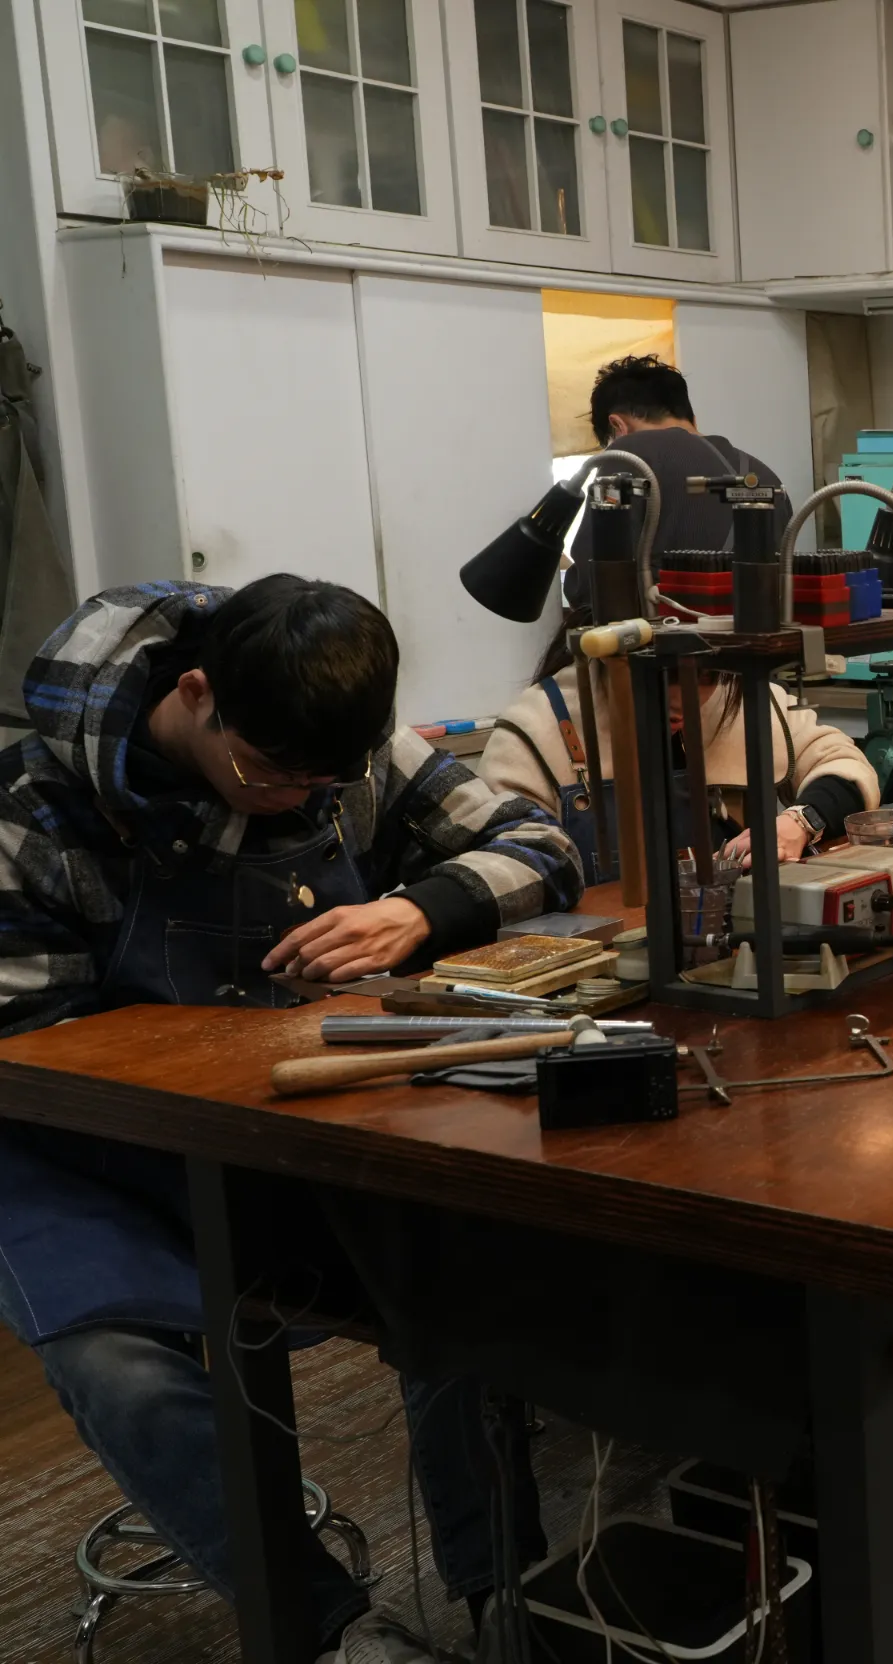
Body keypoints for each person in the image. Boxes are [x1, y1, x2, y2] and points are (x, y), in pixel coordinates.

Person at [0, 577, 586, 1661]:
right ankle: (333, 1628)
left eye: (329, 781)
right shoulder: (34, 808)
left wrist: (420, 907)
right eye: (269, 773)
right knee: (116, 1364)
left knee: (463, 1271)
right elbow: (32, 1053)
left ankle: (506, 1590)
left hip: (301, 1122)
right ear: (195, 693)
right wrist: (229, 1067)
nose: (298, 801)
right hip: (95, 1156)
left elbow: (540, 845)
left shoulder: (336, 749)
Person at [482, 623, 880, 877]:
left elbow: (842, 763)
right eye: (663, 674)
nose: (682, 702)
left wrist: (800, 821)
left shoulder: (736, 695)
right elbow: (507, 871)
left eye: (704, 675)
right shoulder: (536, 728)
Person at [578, 354, 790, 574]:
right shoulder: (766, 477)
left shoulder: (629, 454)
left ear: (618, 426)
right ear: (692, 420)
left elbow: (591, 573)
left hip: (662, 598)